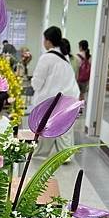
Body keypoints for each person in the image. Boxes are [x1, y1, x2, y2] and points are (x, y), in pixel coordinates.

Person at [31, 26, 80, 158]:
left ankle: (40, 154)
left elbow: (37, 83)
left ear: (48, 41)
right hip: (68, 99)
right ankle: (66, 157)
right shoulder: (65, 56)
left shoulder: (46, 58)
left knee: (45, 130)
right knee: (64, 131)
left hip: (51, 102)